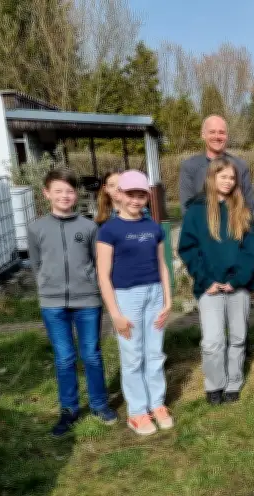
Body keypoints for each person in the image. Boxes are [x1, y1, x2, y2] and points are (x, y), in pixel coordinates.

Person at [27, 169, 118, 436]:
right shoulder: (36, 228)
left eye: (69, 191)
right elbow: (36, 263)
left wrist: (93, 287)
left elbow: (97, 262)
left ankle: (99, 403)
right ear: (47, 194)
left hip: (87, 301)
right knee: (65, 358)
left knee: (91, 354)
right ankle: (69, 409)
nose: (64, 196)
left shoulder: (89, 227)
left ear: (75, 194)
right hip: (53, 303)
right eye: (58, 191)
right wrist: (46, 285)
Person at [96, 170, 173, 436]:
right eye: (131, 194)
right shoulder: (109, 230)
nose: (136, 200)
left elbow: (163, 266)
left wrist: (168, 300)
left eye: (141, 195)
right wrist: (115, 313)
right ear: (120, 195)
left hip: (154, 294)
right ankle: (137, 412)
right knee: (132, 356)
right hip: (126, 297)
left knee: (154, 353)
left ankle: (157, 404)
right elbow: (103, 276)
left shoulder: (153, 227)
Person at [178, 158, 254, 406]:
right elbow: (188, 249)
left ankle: (233, 383)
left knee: (237, 338)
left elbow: (250, 250)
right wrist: (206, 280)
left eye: (232, 178)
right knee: (213, 341)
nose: (228, 181)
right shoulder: (196, 211)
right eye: (223, 176)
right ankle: (215, 385)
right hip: (209, 286)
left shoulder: (241, 210)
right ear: (211, 178)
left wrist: (238, 280)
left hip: (237, 286)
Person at [179, 115, 254, 211]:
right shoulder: (189, 167)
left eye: (221, 132)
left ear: (227, 136)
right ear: (203, 135)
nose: (217, 136)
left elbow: (249, 205)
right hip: (201, 224)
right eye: (212, 132)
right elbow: (187, 207)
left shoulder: (240, 166)